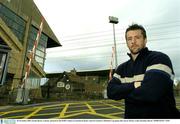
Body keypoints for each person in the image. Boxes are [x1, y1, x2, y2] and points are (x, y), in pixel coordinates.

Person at [107, 23, 180, 119]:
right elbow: (110, 92)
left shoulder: (158, 58)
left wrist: (122, 92)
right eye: (129, 39)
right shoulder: (122, 68)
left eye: (137, 37)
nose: (133, 41)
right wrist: (135, 85)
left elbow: (150, 94)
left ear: (145, 40)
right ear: (127, 42)